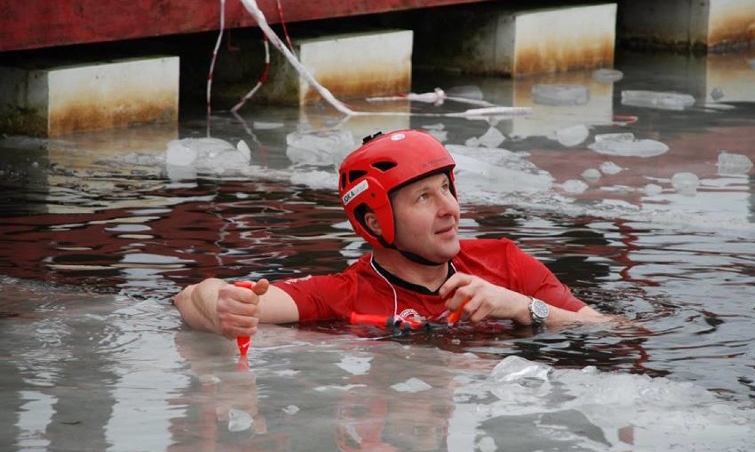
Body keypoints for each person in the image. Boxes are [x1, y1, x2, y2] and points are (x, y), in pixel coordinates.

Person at [175, 129, 610, 338]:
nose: (450, 209)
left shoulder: (503, 262)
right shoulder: (345, 294)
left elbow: (614, 329)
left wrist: (519, 306)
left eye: (446, 188)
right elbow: (192, 296)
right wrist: (223, 305)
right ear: (376, 222)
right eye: (423, 198)